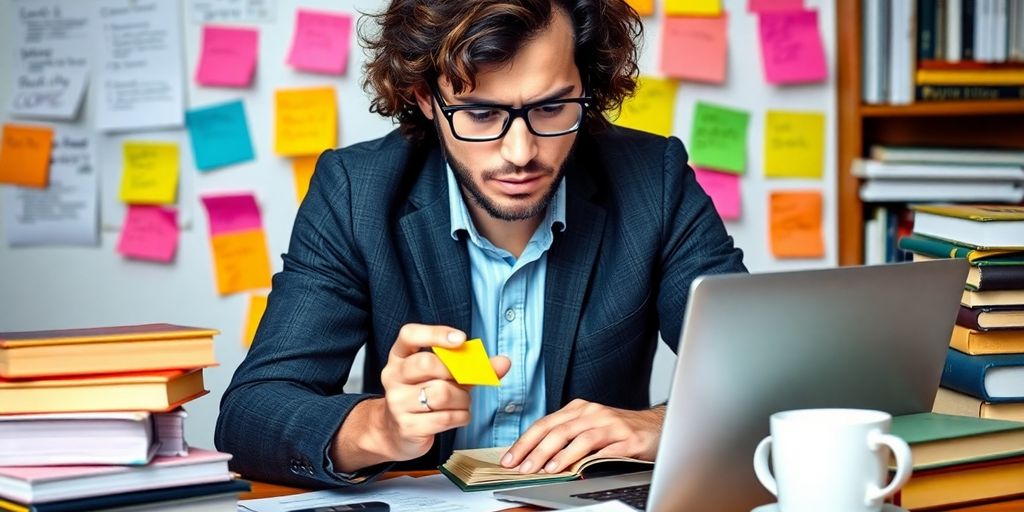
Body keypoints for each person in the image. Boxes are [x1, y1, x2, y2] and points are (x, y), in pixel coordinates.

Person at [215, 0, 746, 487]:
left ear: (588, 83)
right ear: (426, 98)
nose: (520, 151)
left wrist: (664, 426)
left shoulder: (654, 179)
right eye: (481, 114)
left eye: (552, 108)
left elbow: (772, 376)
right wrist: (377, 427)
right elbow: (250, 414)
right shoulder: (356, 193)